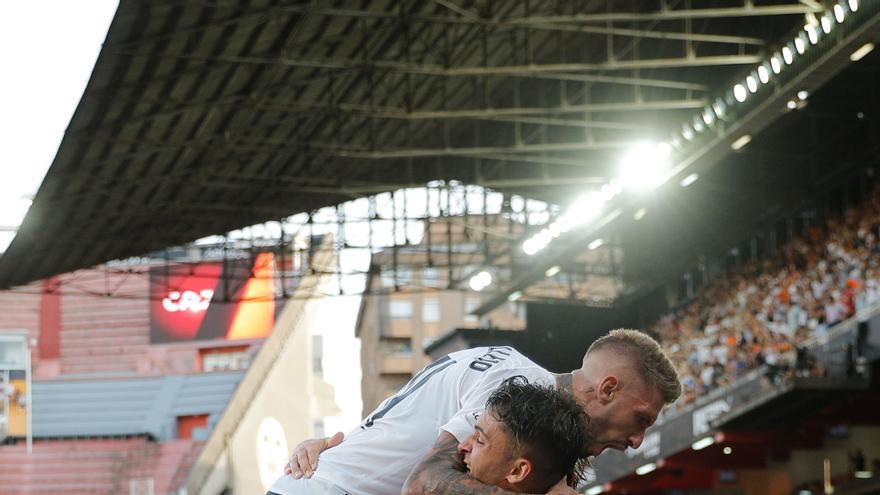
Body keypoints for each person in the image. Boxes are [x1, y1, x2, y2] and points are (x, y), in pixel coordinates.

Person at [273, 329, 681, 495]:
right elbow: (425, 482)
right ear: (607, 389)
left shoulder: (546, 422)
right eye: (641, 419)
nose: (635, 441)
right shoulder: (520, 384)